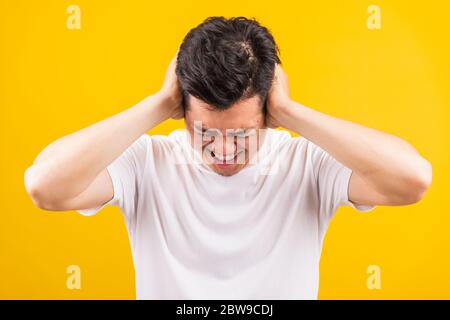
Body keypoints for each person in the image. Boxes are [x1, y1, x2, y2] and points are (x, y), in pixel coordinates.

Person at [24, 16, 432, 299]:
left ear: (269, 112)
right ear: (181, 109)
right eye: (204, 131)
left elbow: (412, 179)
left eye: (241, 134)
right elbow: (45, 186)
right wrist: (157, 103)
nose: (222, 151)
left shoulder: (307, 164)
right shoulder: (146, 162)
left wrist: (291, 112)